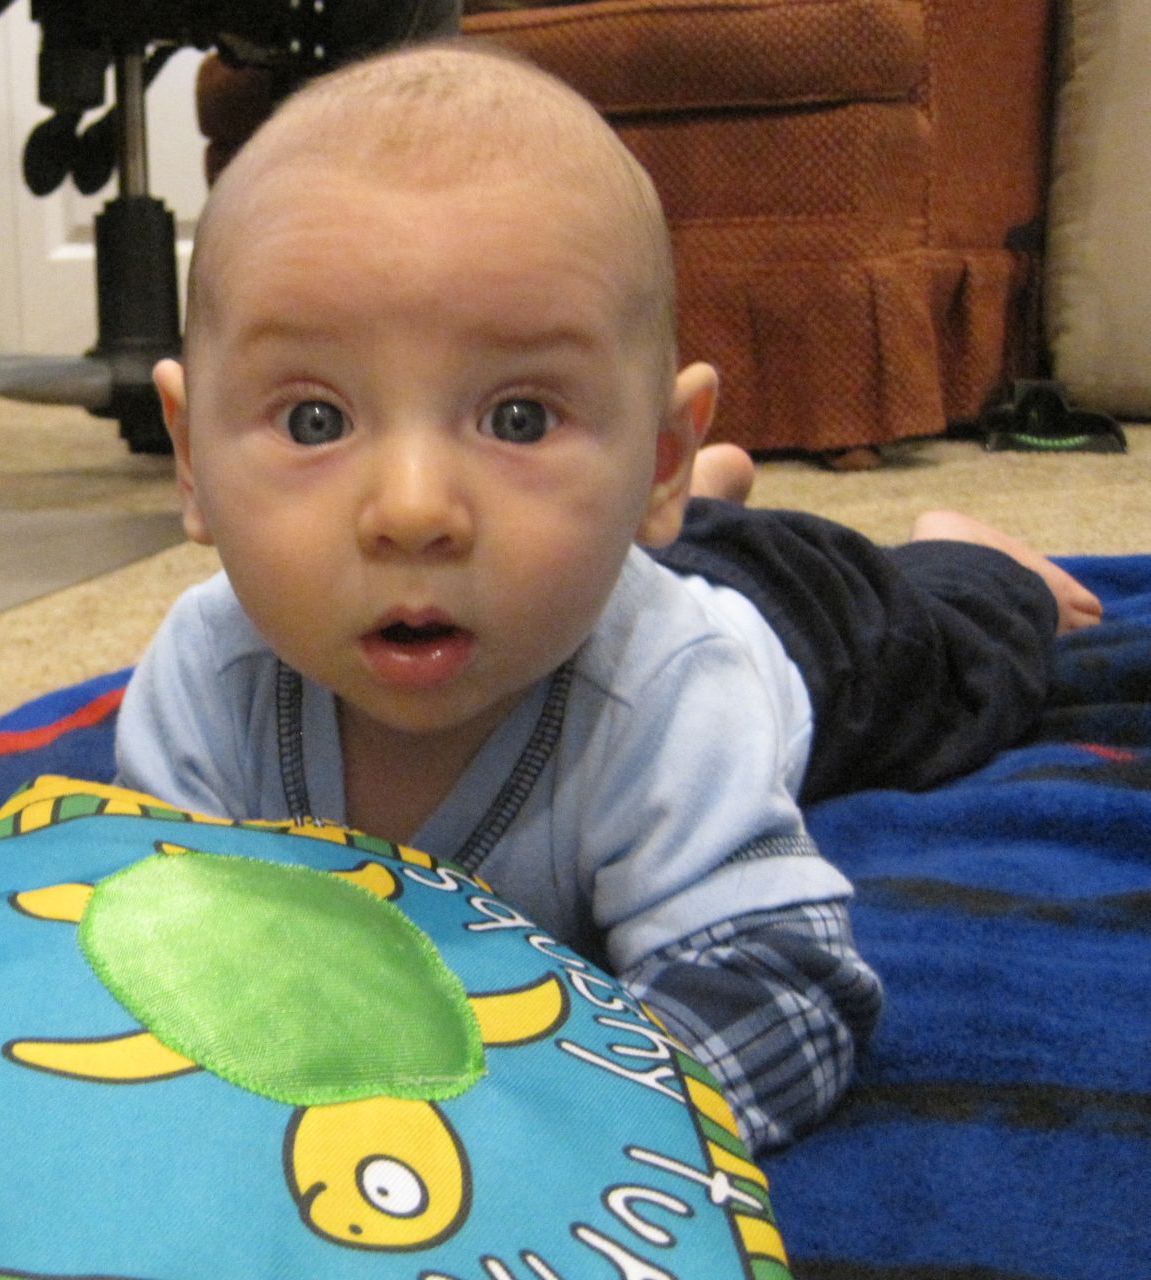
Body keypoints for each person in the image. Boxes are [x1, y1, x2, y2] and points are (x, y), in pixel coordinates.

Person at [113, 41, 1102, 1152]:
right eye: (315, 421)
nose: (412, 510)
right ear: (191, 460)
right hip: (581, 554)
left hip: (804, 622)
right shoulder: (206, 677)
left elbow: (782, 988)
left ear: (655, 452)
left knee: (962, 646)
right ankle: (695, 498)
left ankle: (969, 552)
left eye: (520, 418)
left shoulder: (672, 692)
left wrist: (549, 1142)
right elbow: (144, 937)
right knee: (605, 540)